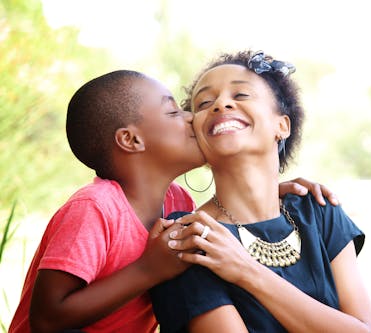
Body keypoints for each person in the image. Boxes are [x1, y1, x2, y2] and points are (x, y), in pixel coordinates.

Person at [9, 70, 338, 333]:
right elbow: (48, 319)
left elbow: (224, 207)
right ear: (131, 139)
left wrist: (267, 190)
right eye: (173, 111)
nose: (190, 118)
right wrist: (149, 270)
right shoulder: (94, 208)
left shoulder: (176, 201)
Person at [150, 50, 371, 332]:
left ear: (282, 126)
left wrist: (247, 271)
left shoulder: (318, 210)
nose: (221, 104)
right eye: (204, 102)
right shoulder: (190, 236)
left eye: (241, 95)